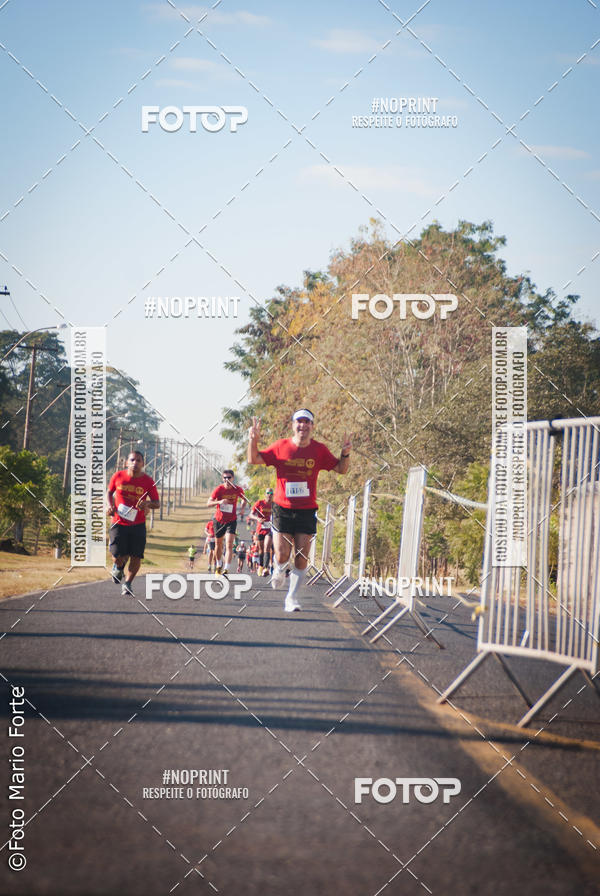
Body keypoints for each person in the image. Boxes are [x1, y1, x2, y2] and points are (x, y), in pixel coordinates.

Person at [247, 410, 352, 612]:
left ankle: (292, 598)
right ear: (293, 425)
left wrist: (345, 453)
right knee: (282, 554)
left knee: (302, 556)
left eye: (307, 422)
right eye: (299, 422)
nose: (303, 426)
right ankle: (278, 568)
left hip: (306, 510)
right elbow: (254, 459)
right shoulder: (281, 447)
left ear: (312, 426)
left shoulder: (319, 450)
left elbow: (341, 469)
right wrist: (253, 441)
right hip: (282, 509)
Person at [107, 451, 160, 596]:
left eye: (138, 460)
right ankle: (118, 566)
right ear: (126, 463)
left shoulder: (148, 481)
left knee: (136, 556)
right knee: (117, 555)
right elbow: (109, 492)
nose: (135, 463)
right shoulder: (118, 476)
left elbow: (157, 503)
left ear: (143, 464)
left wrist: (147, 503)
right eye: (132, 460)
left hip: (138, 524)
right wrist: (109, 506)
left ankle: (128, 583)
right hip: (118, 522)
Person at [206, 469, 248, 576]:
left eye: (229, 477)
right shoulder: (219, 489)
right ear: (222, 478)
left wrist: (242, 508)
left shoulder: (237, 489)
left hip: (231, 520)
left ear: (233, 478)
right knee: (218, 544)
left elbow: (244, 499)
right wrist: (219, 501)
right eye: (224, 478)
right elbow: (208, 503)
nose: (226, 480)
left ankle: (226, 568)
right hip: (219, 520)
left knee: (229, 544)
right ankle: (219, 565)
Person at [248, 487, 274, 576]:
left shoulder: (274, 505)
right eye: (268, 493)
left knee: (267, 547)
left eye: (271, 493)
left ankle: (266, 568)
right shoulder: (260, 503)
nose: (270, 495)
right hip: (260, 529)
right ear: (265, 494)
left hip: (269, 529)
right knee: (261, 550)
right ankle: (261, 566)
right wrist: (257, 518)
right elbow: (250, 514)